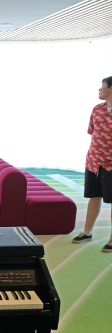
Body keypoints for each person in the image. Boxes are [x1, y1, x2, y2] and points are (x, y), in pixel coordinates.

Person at [72, 76, 112, 252]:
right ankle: (87, 232)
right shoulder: (96, 109)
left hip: (111, 164)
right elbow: (92, 132)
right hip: (93, 161)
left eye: (102, 86)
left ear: (111, 89)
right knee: (93, 197)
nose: (99, 89)